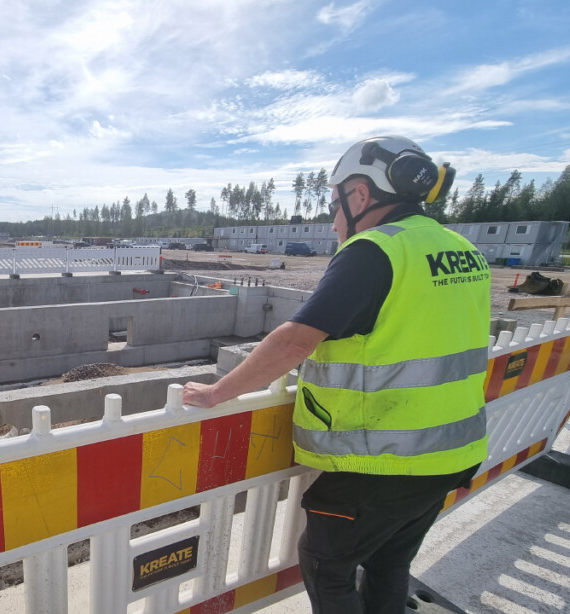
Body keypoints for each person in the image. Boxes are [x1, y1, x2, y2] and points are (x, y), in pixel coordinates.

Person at [183, 136, 490, 614]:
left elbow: (295, 341)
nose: (334, 220)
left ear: (362, 195)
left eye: (336, 204)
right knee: (390, 563)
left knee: (327, 565)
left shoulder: (374, 251)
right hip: (451, 449)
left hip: (384, 459)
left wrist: (219, 392)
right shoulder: (460, 248)